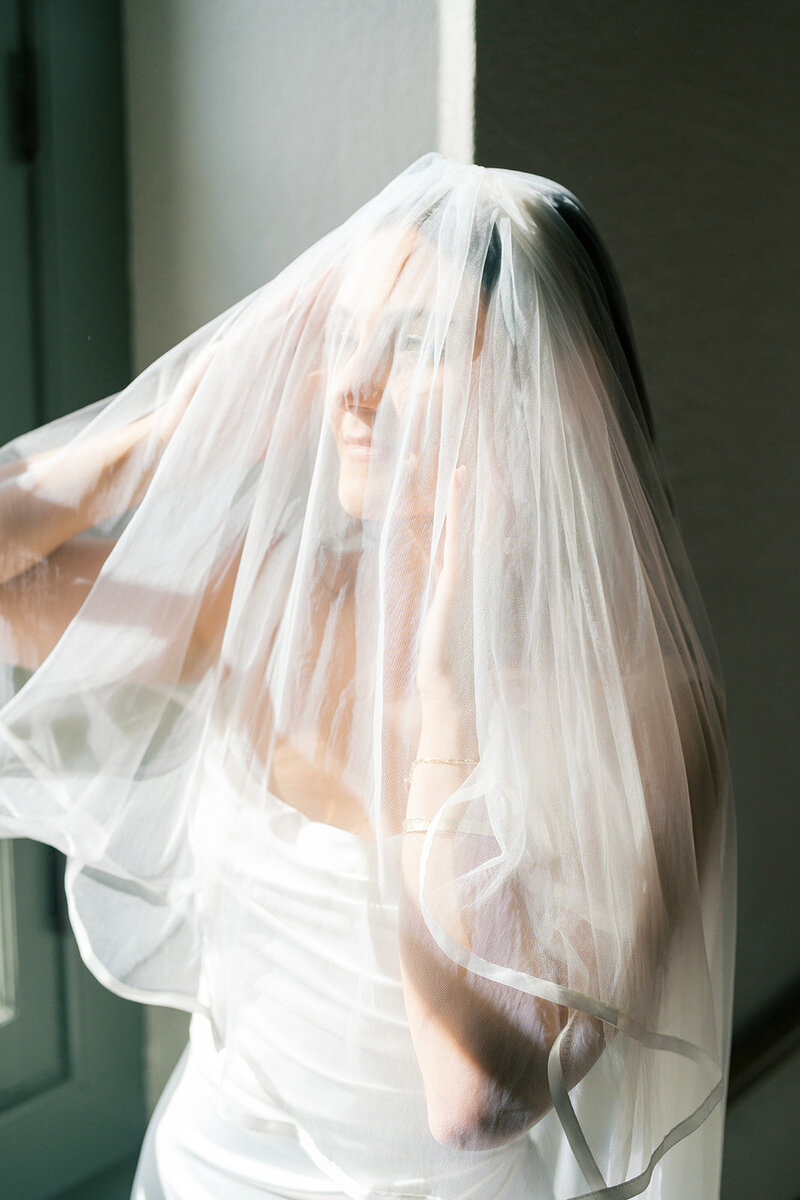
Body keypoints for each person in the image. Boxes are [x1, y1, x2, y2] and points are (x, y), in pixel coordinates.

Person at [0, 154, 736, 1199]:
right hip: (200, 1168)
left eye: (416, 346)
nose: (351, 386)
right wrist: (179, 426)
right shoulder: (276, 598)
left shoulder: (639, 708)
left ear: (544, 391)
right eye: (344, 336)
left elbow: (474, 1102)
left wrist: (440, 693)